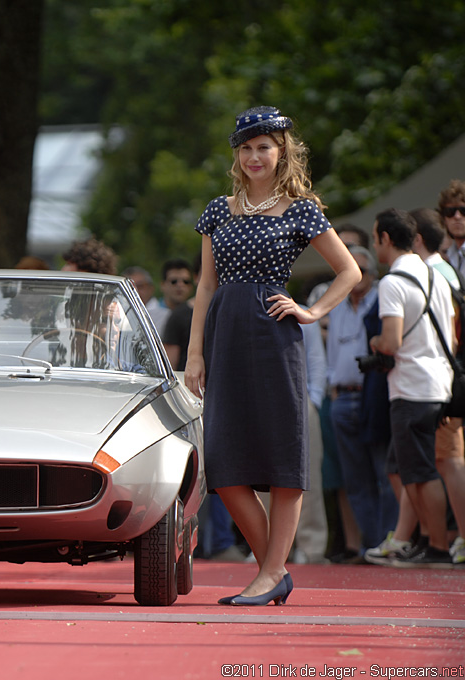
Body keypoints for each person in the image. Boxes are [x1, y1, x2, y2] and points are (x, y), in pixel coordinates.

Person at [186, 106, 359, 605]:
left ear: (281, 151)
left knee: (284, 455)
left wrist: (312, 310)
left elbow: (349, 271)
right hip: (225, 336)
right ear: (237, 156)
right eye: (245, 147)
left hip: (275, 337)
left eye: (264, 146)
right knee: (222, 461)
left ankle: (268, 574)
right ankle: (275, 568)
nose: (254, 155)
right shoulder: (218, 210)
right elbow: (205, 284)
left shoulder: (301, 209)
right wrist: (195, 353)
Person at [369, 208, 455, 567]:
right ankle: (427, 541)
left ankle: (437, 546)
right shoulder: (433, 274)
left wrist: (375, 343)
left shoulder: (392, 281)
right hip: (438, 381)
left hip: (411, 386)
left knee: (420, 473)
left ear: (386, 239)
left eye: (375, 239)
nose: (376, 247)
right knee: (413, 470)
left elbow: (391, 341)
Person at [325, 245, 398, 553]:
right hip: (341, 399)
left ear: (372, 274)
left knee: (384, 474)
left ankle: (391, 542)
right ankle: (371, 547)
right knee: (354, 480)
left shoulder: (383, 297)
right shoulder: (336, 302)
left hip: (373, 396)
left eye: (361, 272)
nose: (354, 278)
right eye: (348, 271)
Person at [156, 258, 194, 334]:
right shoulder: (149, 315)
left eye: (185, 282)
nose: (180, 285)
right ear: (162, 285)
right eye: (174, 281)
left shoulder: (196, 315)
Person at [439, 180, 465, 279]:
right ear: (444, 218)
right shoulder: (448, 254)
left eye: (463, 211)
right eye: (450, 212)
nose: (457, 216)